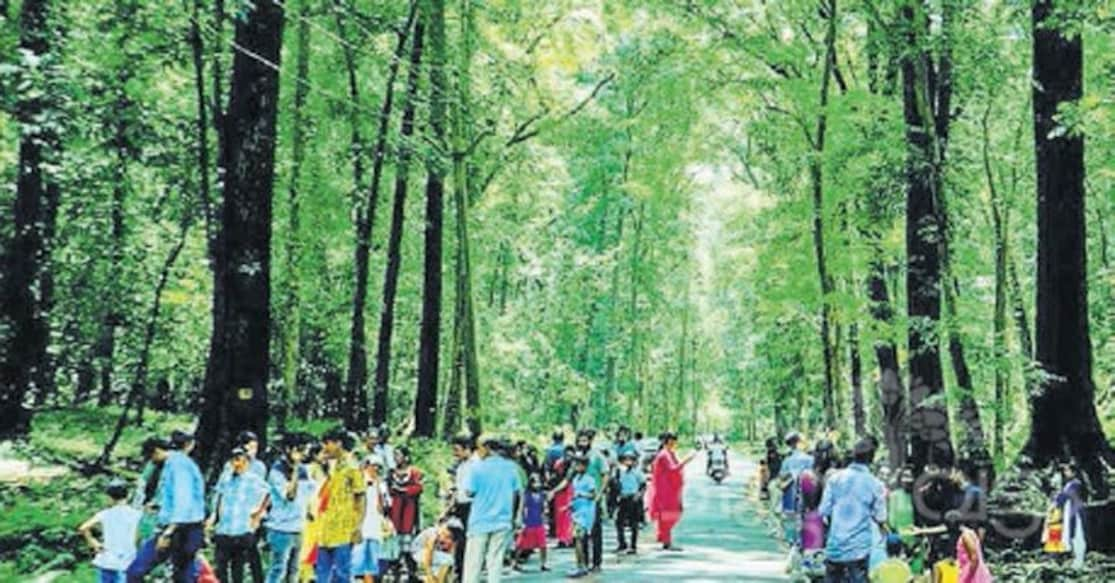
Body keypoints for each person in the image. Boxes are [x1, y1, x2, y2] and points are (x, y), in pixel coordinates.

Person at [126, 433, 206, 583]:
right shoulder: (177, 463)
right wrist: (159, 505)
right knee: (183, 575)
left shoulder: (178, 465)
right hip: (189, 526)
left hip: (180, 529)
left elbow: (183, 500)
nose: (152, 462)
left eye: (151, 457)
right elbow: (178, 496)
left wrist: (168, 533)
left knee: (136, 570)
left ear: (156, 451)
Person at [819, 438, 886, 583]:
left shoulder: (834, 479)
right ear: (871, 459)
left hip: (835, 546)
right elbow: (880, 517)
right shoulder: (875, 484)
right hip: (859, 549)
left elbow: (824, 510)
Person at [461, 437, 523, 583]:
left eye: (479, 448)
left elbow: (469, 492)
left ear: (487, 448)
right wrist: (517, 516)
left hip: (480, 520)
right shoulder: (511, 467)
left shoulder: (476, 467)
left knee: (473, 562)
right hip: (503, 520)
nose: (477, 452)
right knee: (495, 562)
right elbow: (518, 493)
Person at [209, 447, 270, 583]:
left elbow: (268, 493)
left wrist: (257, 515)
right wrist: (214, 517)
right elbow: (218, 496)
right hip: (224, 529)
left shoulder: (253, 480)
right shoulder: (225, 478)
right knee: (220, 567)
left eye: (241, 461)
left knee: (238, 569)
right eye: (235, 460)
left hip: (242, 530)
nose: (237, 464)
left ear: (247, 463)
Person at [314, 428, 367, 583]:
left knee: (342, 573)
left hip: (344, 529)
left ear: (338, 443)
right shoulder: (329, 466)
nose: (324, 448)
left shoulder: (352, 467)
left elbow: (360, 498)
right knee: (321, 573)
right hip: (325, 528)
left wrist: (358, 526)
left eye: (327, 443)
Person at [265, 434, 317, 583]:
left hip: (298, 527)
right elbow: (290, 496)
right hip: (281, 528)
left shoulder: (304, 470)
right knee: (278, 570)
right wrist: (294, 469)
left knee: (293, 571)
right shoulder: (277, 471)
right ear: (288, 449)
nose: (304, 454)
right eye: (300, 450)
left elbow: (308, 494)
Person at [80, 480, 143, 583]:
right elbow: (138, 537)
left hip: (107, 559)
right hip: (127, 560)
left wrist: (94, 543)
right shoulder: (137, 514)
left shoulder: (105, 514)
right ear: (127, 495)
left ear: (109, 497)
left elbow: (83, 528)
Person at [649, 432, 696, 551]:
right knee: (668, 514)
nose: (674, 443)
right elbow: (672, 469)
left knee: (671, 513)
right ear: (667, 442)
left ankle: (665, 539)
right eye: (672, 441)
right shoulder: (664, 455)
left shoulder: (670, 453)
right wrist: (687, 460)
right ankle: (666, 540)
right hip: (665, 491)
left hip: (671, 490)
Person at [388, 446, 425, 580]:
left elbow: (419, 488)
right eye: (394, 455)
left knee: (409, 545)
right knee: (394, 543)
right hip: (395, 513)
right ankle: (395, 571)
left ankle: (412, 572)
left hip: (409, 512)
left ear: (406, 457)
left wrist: (403, 491)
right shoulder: (391, 473)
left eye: (398, 455)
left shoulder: (414, 472)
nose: (396, 458)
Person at [354, 456, 390, 583]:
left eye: (378, 466)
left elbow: (384, 505)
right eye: (373, 465)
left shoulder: (381, 484)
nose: (375, 469)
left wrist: (379, 486)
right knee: (357, 558)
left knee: (373, 560)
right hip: (361, 524)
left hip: (375, 524)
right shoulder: (359, 481)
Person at [448, 433, 477, 576]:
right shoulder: (460, 467)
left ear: (467, 449)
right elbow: (457, 488)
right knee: (458, 539)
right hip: (460, 506)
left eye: (457, 450)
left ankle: (467, 571)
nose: (455, 453)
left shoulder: (477, 465)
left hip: (472, 506)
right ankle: (460, 570)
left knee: (467, 540)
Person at [566, 455, 596, 579]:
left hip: (585, 513)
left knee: (578, 539)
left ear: (584, 466)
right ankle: (581, 564)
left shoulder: (589, 479)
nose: (576, 467)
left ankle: (581, 566)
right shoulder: (575, 479)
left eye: (578, 464)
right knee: (577, 540)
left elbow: (593, 495)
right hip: (576, 512)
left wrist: (581, 494)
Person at [511, 474, 549, 572]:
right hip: (528, 522)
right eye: (535, 482)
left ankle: (543, 564)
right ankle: (514, 562)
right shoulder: (526, 494)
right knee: (521, 545)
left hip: (539, 522)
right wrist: (520, 520)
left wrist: (545, 519)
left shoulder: (541, 494)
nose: (538, 484)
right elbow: (521, 508)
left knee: (543, 544)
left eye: (539, 482)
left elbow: (543, 509)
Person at [944, 510, 992, 583]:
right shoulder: (968, 533)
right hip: (971, 572)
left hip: (974, 575)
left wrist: (966, 578)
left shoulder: (966, 536)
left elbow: (974, 558)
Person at [1055, 464, 1086, 570]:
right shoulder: (1069, 484)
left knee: (1078, 534)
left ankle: (1079, 561)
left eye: (1067, 470)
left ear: (1074, 472)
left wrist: (1057, 499)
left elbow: (1065, 496)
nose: (1065, 472)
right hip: (1070, 511)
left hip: (1075, 511)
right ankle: (1073, 559)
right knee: (1070, 535)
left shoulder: (1076, 483)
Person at [614, 451, 645, 554]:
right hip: (623, 498)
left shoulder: (637, 472)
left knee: (634, 523)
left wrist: (639, 495)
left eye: (631, 459)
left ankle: (633, 545)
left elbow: (643, 485)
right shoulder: (619, 472)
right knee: (619, 522)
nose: (628, 462)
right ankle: (622, 544)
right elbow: (616, 484)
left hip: (633, 499)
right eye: (626, 459)